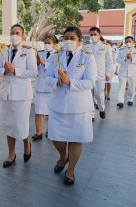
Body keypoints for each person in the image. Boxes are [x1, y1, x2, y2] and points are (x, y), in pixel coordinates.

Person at [45, 26, 97, 185]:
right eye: (65, 38)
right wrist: (57, 81)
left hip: (78, 107)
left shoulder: (87, 57)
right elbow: (47, 77)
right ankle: (63, 156)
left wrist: (70, 82)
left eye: (72, 38)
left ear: (80, 40)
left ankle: (71, 170)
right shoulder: (56, 56)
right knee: (55, 137)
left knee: (76, 139)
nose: (68, 41)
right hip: (58, 104)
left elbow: (90, 82)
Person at [0, 24, 38, 168]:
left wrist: (15, 71)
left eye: (17, 33)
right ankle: (11, 154)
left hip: (21, 94)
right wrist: (4, 71)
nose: (14, 35)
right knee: (9, 124)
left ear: (23, 35)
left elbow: (33, 72)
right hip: (6, 93)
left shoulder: (29, 51)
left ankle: (26, 144)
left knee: (20, 124)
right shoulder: (4, 50)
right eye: (12, 32)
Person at [32, 35, 58, 141]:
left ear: (54, 44)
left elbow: (55, 69)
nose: (47, 45)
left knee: (52, 111)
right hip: (40, 86)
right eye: (45, 42)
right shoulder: (39, 53)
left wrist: (44, 63)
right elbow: (35, 69)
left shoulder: (57, 55)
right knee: (39, 111)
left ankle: (49, 130)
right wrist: (37, 63)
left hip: (51, 88)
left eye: (49, 43)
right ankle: (38, 132)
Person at [83, 27, 113, 120]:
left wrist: (108, 73)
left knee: (99, 94)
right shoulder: (85, 45)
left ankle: (101, 108)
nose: (93, 36)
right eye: (91, 35)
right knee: (89, 95)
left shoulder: (105, 46)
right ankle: (91, 114)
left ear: (100, 34)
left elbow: (109, 61)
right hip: (88, 74)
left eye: (95, 34)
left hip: (100, 74)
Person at [116, 36, 136, 107]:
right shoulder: (121, 50)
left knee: (132, 87)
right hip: (123, 71)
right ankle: (120, 101)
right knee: (121, 87)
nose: (128, 43)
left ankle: (130, 99)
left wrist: (132, 59)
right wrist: (124, 59)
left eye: (130, 41)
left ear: (133, 42)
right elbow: (117, 60)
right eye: (127, 42)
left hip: (133, 72)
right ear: (125, 43)